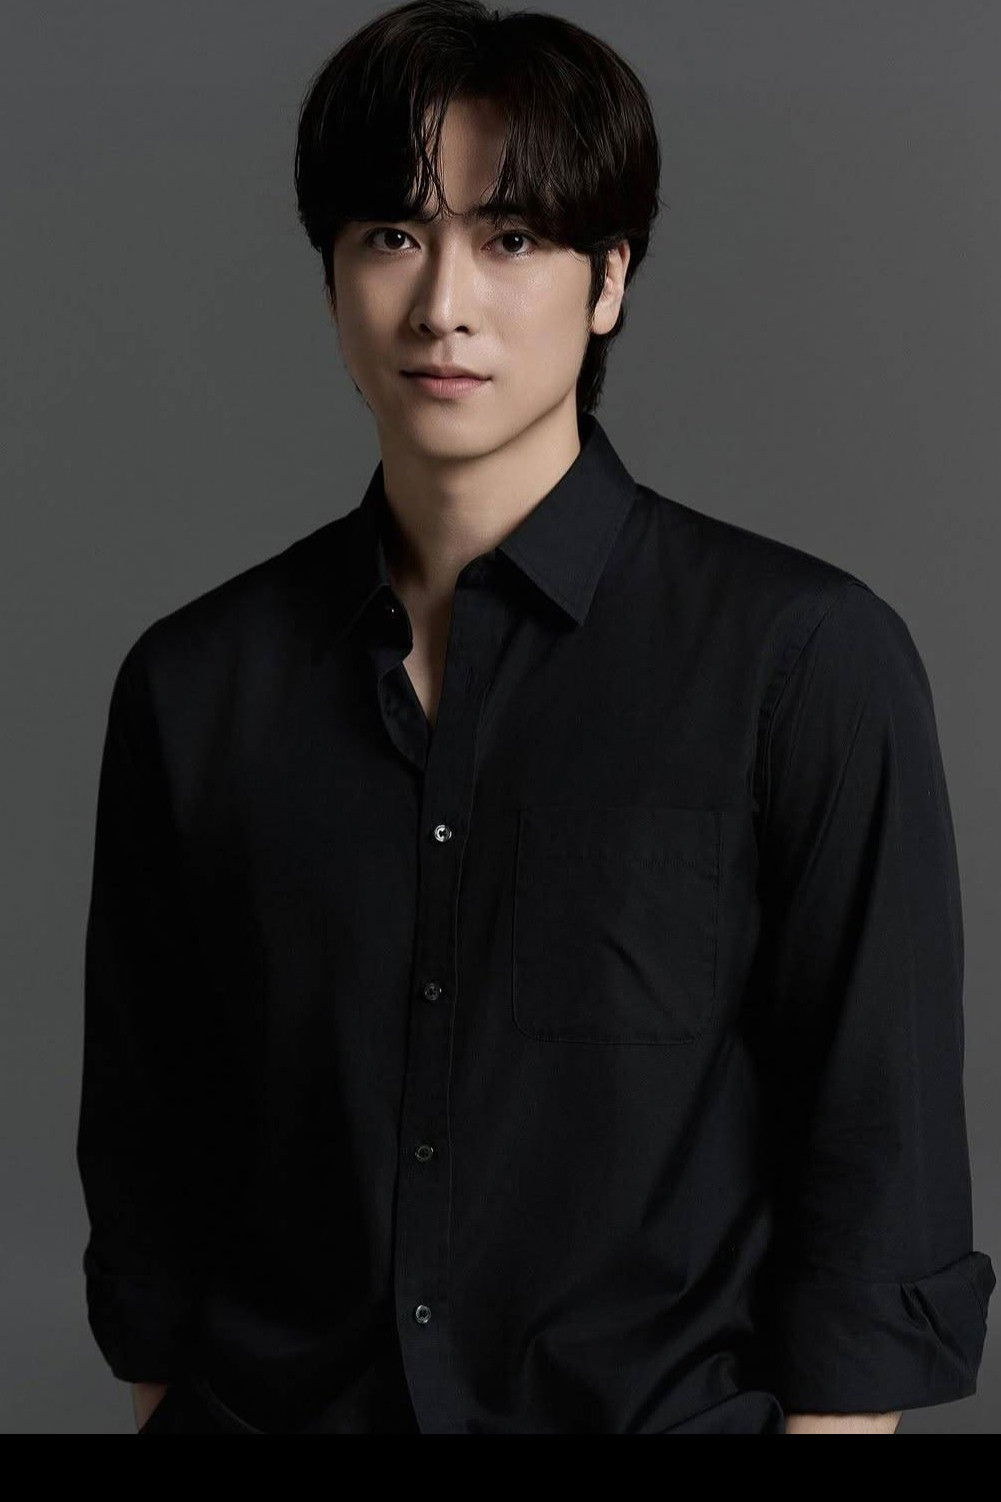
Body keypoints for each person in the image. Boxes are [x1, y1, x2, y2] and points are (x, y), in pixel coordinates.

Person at [77, 0, 995, 1435]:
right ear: (331, 278)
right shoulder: (195, 683)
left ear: (609, 279)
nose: (442, 303)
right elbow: (153, 1144)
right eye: (393, 233)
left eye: (510, 239)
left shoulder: (804, 658)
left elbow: (878, 1151)